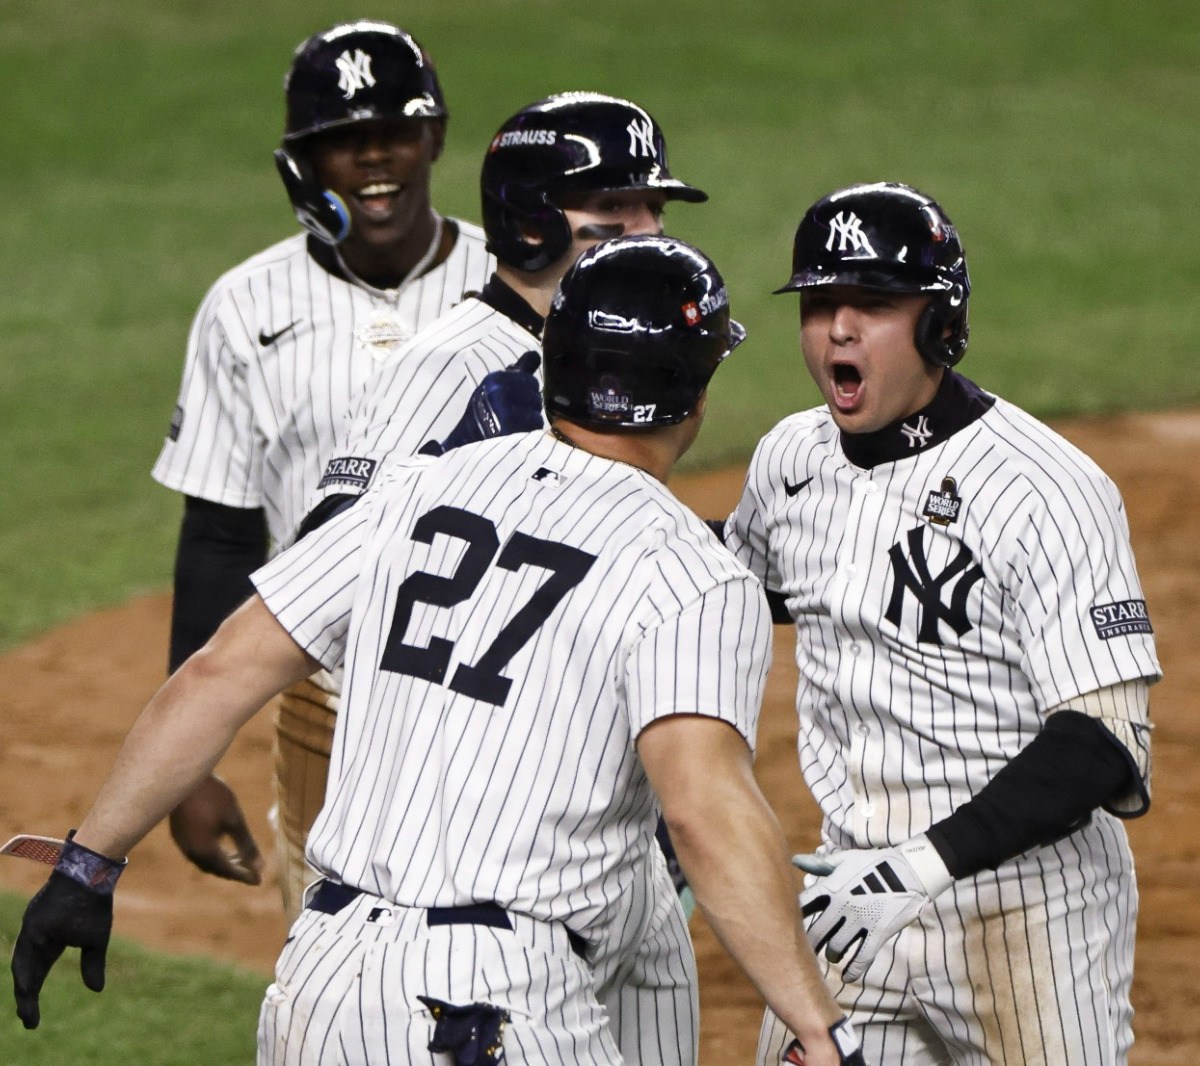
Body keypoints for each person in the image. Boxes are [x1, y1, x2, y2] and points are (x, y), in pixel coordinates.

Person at [11, 236, 867, 1066]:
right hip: (490, 1005)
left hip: (320, 984)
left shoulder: (416, 488)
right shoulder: (690, 571)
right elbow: (703, 812)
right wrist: (817, 1024)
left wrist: (87, 866)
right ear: (694, 394)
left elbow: (219, 669)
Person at [717, 182, 1159, 1065]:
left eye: (873, 304)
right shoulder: (790, 459)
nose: (838, 329)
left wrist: (919, 869)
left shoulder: (1047, 491)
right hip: (848, 898)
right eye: (820, 303)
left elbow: (1105, 744)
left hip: (1026, 912)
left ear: (938, 325)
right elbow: (729, 590)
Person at [297, 90, 709, 933]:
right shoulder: (448, 366)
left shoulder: (601, 354)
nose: (651, 230)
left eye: (654, 206)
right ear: (532, 222)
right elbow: (325, 565)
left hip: (580, 783)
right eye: (616, 208)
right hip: (465, 795)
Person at [150, 21, 494, 894]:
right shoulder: (244, 307)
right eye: (342, 142)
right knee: (332, 965)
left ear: (436, 138)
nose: (373, 161)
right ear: (304, 162)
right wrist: (189, 764)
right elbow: (220, 535)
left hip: (506, 681)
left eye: (394, 135)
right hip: (326, 698)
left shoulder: (514, 284)